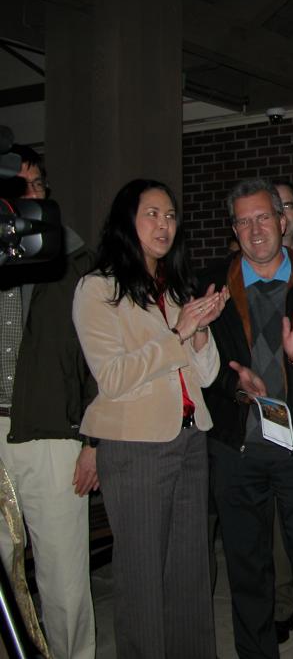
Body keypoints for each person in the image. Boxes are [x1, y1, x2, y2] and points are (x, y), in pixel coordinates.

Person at [72, 179, 227, 658]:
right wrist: (180, 333)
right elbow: (114, 377)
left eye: (170, 215)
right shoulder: (98, 289)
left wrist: (199, 335)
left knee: (190, 576)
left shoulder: (174, 288)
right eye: (152, 214)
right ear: (127, 220)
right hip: (136, 449)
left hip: (189, 439)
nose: (164, 225)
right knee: (141, 581)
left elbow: (205, 375)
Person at [201, 179, 293, 659]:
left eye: (263, 217)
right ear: (234, 229)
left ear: (283, 221)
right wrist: (233, 385)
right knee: (247, 572)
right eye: (243, 220)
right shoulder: (213, 286)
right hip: (237, 451)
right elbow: (200, 365)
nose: (255, 228)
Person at [0, 149, 97, 659]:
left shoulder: (74, 257)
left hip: (53, 431)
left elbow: (98, 358)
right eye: (16, 186)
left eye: (35, 184)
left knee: (63, 578)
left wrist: (93, 440)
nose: (29, 194)